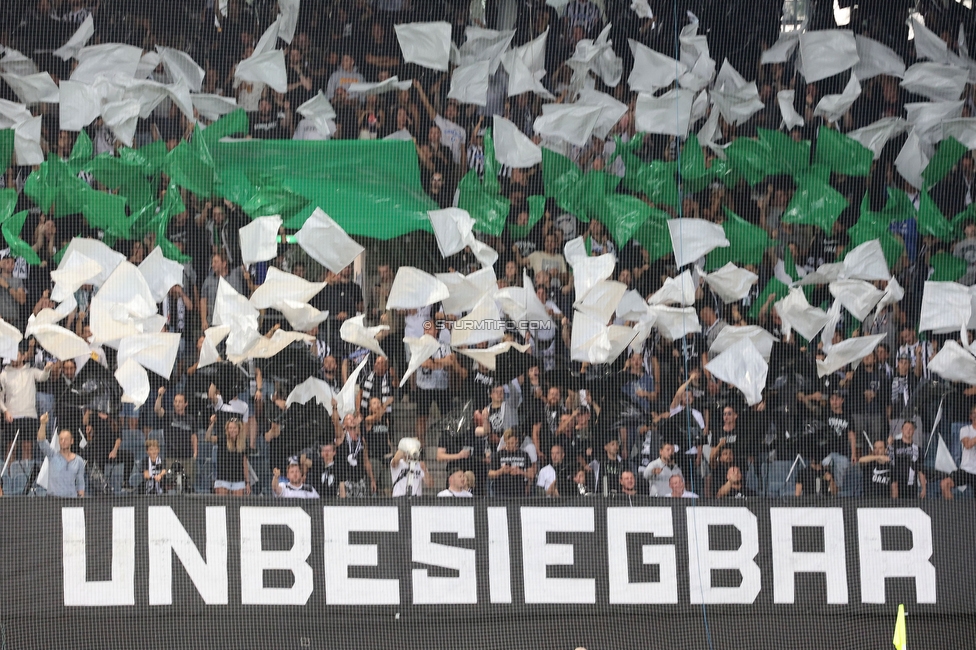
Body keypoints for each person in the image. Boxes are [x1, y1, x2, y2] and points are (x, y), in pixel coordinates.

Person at [0, 343, 53, 461]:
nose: (14, 358)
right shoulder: (3, 375)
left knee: (27, 448)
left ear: (23, 356)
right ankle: (8, 478)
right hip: (12, 416)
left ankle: (26, 478)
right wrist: (5, 411)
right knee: (10, 449)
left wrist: (47, 369)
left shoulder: (31, 371)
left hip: (29, 415)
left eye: (16, 355)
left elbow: (42, 377)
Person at [153, 387, 198, 489]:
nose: (178, 404)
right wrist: (160, 396)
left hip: (187, 457)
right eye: (176, 401)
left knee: (188, 485)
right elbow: (157, 410)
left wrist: (195, 453)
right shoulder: (168, 416)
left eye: (180, 402)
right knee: (170, 485)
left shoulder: (191, 419)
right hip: (171, 457)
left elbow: (194, 436)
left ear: (185, 404)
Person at [331, 398, 376, 497]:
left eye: (352, 418)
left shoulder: (362, 440)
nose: (351, 419)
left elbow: (366, 461)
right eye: (348, 418)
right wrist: (334, 408)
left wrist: (372, 479)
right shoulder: (342, 436)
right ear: (344, 424)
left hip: (360, 481)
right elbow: (335, 422)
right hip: (346, 481)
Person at [36, 413, 85, 498]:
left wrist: (80, 499)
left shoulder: (79, 461)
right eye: (61, 439)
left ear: (72, 441)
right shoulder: (52, 455)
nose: (63, 441)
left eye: (66, 439)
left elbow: (80, 483)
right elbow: (41, 441)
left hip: (71, 501)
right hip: (53, 500)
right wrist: (43, 424)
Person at [941, 405, 976, 499]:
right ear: (970, 416)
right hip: (966, 469)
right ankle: (952, 510)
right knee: (945, 483)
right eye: (974, 414)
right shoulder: (965, 429)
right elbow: (968, 445)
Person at [210, 417, 250, 496]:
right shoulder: (222, 439)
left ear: (239, 429)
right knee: (221, 505)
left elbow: (244, 463)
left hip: (238, 480)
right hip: (223, 479)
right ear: (227, 429)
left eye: (235, 428)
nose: (232, 430)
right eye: (230, 428)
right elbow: (208, 438)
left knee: (237, 506)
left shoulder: (243, 443)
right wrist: (212, 424)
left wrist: (247, 482)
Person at [488, 429, 532, 497]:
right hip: (500, 492)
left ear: (516, 440)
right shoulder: (498, 455)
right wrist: (501, 471)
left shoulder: (524, 455)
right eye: (508, 443)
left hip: (519, 492)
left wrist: (520, 472)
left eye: (512, 443)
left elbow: (531, 474)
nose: (510, 445)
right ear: (505, 441)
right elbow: (490, 474)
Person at [890, 421, 926, 500]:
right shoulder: (894, 444)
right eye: (906, 428)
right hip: (896, 485)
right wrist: (888, 444)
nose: (908, 430)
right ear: (901, 430)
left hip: (911, 486)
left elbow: (920, 471)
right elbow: (887, 459)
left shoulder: (917, 449)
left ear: (913, 431)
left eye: (911, 429)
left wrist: (924, 488)